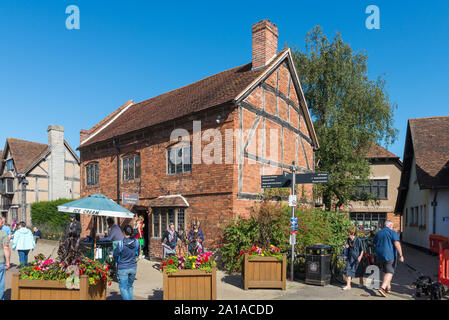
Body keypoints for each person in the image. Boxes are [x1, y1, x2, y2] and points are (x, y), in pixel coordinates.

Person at [374, 220, 404, 297]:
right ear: (390, 225)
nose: (392, 227)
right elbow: (397, 243)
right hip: (389, 255)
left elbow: (374, 244)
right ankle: (382, 288)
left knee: (385, 270)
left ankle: (388, 287)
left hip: (379, 255)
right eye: (392, 226)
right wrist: (401, 255)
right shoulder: (392, 232)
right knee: (390, 272)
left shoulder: (378, 233)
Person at [113, 225, 140, 300]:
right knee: (129, 286)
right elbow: (138, 254)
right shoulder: (137, 242)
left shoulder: (120, 244)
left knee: (123, 288)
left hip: (123, 268)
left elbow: (115, 255)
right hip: (133, 267)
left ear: (124, 232)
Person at [0, 226, 10, 300]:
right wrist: (8, 262)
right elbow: (6, 248)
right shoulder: (3, 234)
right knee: (0, 282)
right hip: (0, 260)